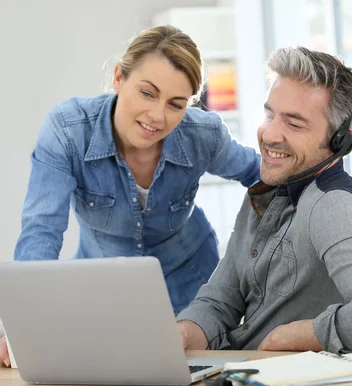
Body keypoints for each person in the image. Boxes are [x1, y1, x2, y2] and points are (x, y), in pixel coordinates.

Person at [175, 46, 352, 354]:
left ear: (339, 141)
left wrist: (295, 335)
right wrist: (185, 332)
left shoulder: (333, 205)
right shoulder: (264, 194)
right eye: (269, 115)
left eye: (294, 123)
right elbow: (221, 300)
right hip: (236, 371)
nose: (269, 134)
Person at [14, 27, 259, 316]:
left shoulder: (203, 136)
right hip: (102, 288)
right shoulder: (68, 131)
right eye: (147, 93)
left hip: (192, 284)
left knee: (197, 363)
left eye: (175, 104)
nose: (157, 116)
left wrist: (254, 256)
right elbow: (42, 230)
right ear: (119, 77)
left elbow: (264, 176)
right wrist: (25, 321)